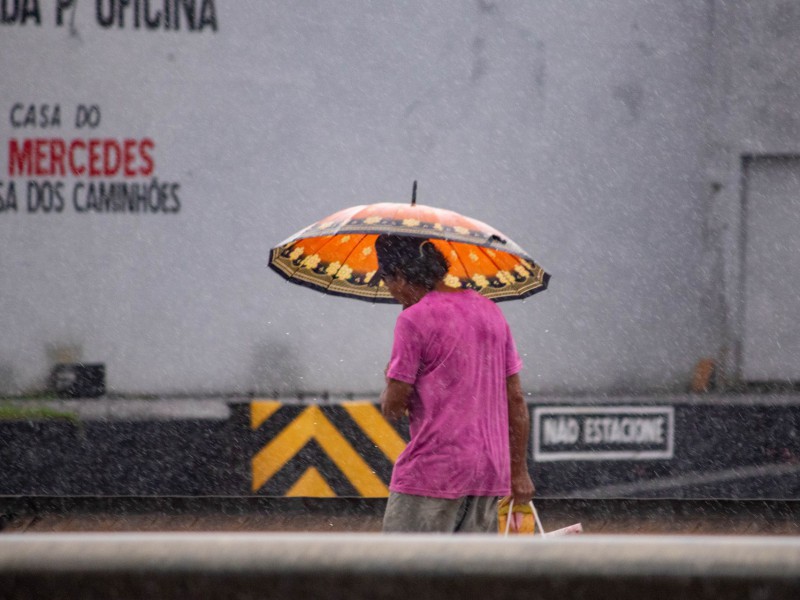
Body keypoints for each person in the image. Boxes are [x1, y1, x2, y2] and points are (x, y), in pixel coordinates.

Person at [375, 234, 534, 533]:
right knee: (465, 577)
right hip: (488, 474)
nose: (391, 292)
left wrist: (390, 377)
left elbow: (393, 407)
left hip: (433, 472)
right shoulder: (491, 311)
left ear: (399, 275)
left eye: (388, 281)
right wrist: (519, 472)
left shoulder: (412, 320)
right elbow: (515, 399)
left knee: (399, 573)